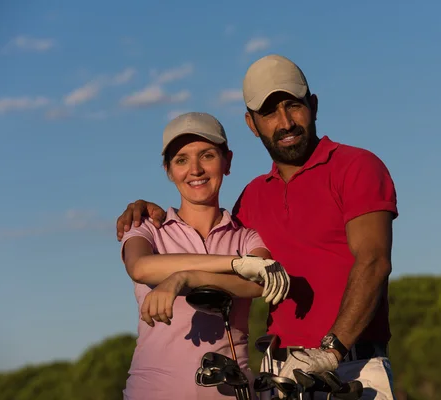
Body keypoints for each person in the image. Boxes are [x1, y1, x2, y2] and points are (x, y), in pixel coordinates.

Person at [117, 55, 399, 400]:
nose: (285, 122)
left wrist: (330, 351)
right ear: (252, 124)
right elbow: (237, 264)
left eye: (293, 106)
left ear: (312, 105)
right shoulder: (251, 199)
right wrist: (145, 209)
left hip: (350, 365)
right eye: (269, 113)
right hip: (278, 374)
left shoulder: (356, 166)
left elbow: (374, 261)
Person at [119, 111, 290, 400]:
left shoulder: (247, 236)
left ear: (228, 162)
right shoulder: (147, 228)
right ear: (169, 171)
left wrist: (186, 278)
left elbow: (260, 282)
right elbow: (140, 267)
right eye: (181, 160)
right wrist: (235, 265)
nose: (195, 169)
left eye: (207, 155)